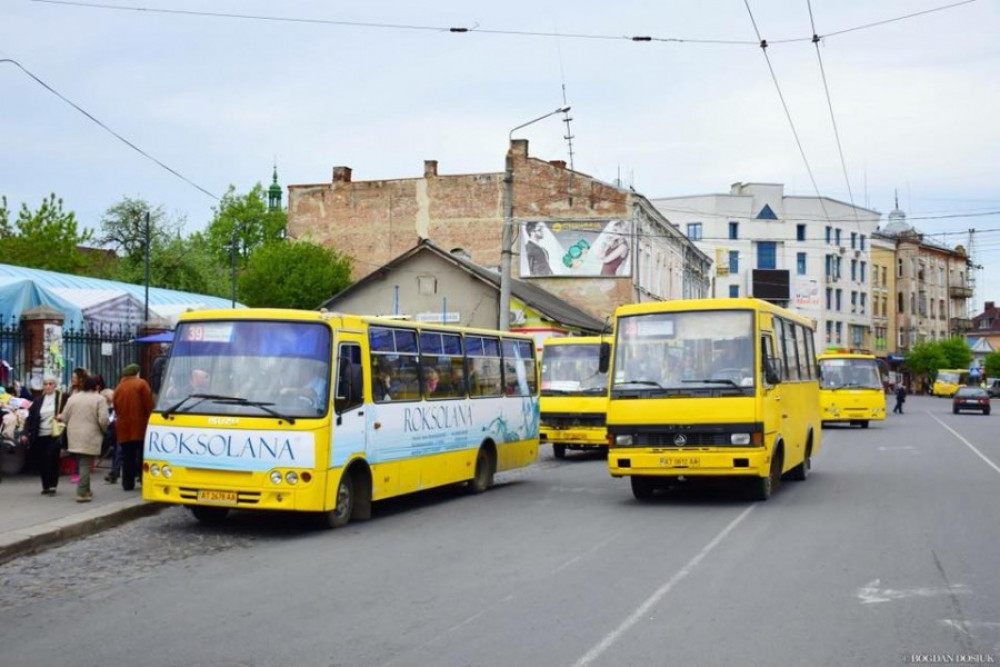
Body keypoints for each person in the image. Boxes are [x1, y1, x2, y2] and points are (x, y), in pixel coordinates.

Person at [60, 376, 109, 503]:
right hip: (90, 435)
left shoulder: (72, 398)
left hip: (73, 435)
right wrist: (104, 430)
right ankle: (81, 492)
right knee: (85, 464)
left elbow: (64, 417)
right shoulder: (100, 399)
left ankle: (87, 490)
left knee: (82, 462)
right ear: (96, 387)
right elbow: (103, 420)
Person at [20, 375, 67, 496]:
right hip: (40, 434)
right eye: (45, 384)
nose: (48, 386)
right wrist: (25, 433)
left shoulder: (61, 398)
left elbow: (69, 412)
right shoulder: (38, 400)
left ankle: (52, 486)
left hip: (54, 434)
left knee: (52, 458)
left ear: (55, 385)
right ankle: (45, 485)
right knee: (42, 460)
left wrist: (62, 416)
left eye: (51, 383)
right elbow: (30, 418)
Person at [112, 363, 154, 491]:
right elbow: (148, 404)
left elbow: (116, 407)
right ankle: (143, 479)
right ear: (136, 373)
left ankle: (127, 483)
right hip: (140, 426)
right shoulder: (141, 384)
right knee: (142, 455)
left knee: (127, 456)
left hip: (123, 428)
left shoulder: (118, 387)